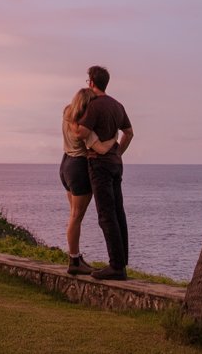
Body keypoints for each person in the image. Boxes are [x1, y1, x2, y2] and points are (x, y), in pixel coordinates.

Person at [75, 65, 134, 281]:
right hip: (116, 164)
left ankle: (116, 266)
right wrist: (118, 151)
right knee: (118, 212)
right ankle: (121, 261)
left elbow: (81, 131)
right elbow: (129, 133)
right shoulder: (117, 105)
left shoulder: (95, 106)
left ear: (91, 82)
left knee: (106, 215)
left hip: (99, 164)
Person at [60, 87, 117, 276]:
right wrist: (114, 139)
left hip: (66, 164)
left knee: (74, 215)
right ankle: (74, 261)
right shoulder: (83, 128)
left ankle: (75, 256)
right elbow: (100, 149)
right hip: (79, 167)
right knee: (76, 216)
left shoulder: (67, 113)